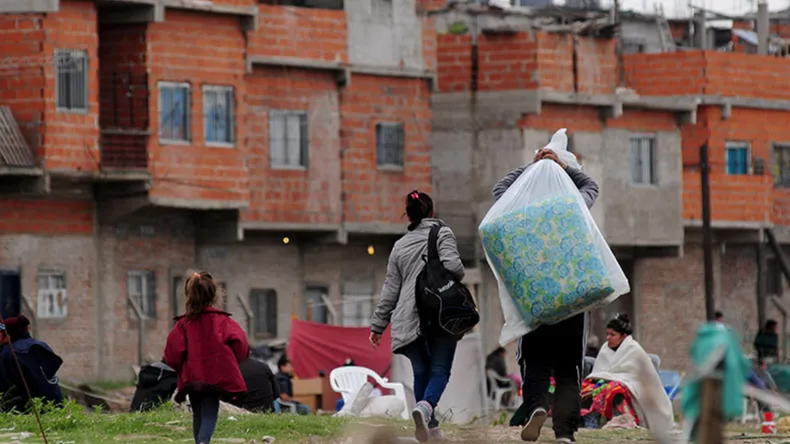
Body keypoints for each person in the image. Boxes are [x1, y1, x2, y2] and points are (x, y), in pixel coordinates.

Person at [492, 146, 599, 443]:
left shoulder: (520, 208)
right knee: (569, 368)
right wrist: (559, 167)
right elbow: (592, 185)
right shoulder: (573, 204)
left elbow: (499, 189)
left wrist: (534, 166)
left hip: (535, 301)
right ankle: (565, 432)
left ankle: (537, 407)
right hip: (571, 300)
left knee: (535, 361)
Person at [370, 190, 465, 443]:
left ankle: (429, 429)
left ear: (408, 215)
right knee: (440, 371)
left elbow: (390, 290)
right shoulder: (442, 233)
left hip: (407, 318)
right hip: (440, 314)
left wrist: (378, 326)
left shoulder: (399, 246)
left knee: (421, 371)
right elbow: (455, 268)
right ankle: (426, 408)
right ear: (431, 213)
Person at [164, 271, 249, 444]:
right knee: (210, 412)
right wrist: (231, 362)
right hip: (216, 376)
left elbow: (172, 354)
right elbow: (240, 344)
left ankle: (200, 442)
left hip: (192, 378)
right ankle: (203, 442)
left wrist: (181, 367)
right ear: (214, 295)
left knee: (197, 413)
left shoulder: (183, 324)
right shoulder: (223, 322)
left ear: (189, 295)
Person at [581, 314, 673, 432]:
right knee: (588, 389)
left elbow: (637, 379)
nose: (608, 337)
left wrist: (615, 381)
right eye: (607, 334)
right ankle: (590, 423)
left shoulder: (634, 350)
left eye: (612, 335)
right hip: (605, 383)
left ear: (624, 336)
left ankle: (623, 422)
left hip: (631, 389)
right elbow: (599, 371)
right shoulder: (605, 349)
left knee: (614, 389)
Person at [0, 315, 64, 412]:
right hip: (55, 406)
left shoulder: (9, 353)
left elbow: (6, 386)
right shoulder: (41, 346)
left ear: (8, 334)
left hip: (26, 411)